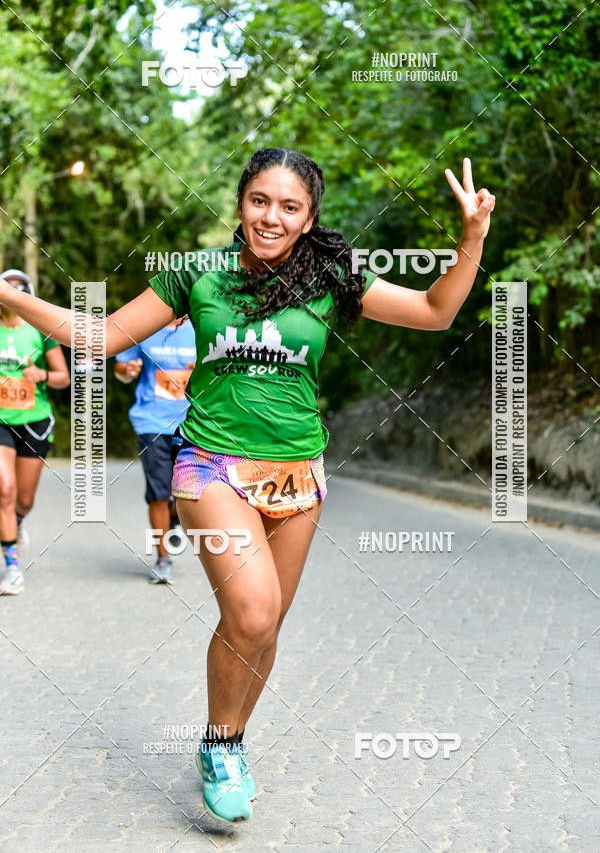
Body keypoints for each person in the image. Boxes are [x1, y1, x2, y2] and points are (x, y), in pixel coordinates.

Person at [0, 148, 494, 819]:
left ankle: (223, 743)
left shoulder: (330, 276)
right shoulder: (197, 274)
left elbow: (435, 311)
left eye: (290, 206)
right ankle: (224, 748)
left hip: (299, 474)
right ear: (240, 203)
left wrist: (471, 238)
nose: (271, 216)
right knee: (254, 611)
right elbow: (102, 335)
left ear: (309, 217)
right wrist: (11, 295)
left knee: (262, 627)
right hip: (210, 466)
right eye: (260, 200)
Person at [0, 269, 70, 596]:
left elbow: (63, 377)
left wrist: (40, 375)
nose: (12, 293)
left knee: (23, 500)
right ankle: (12, 568)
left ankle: (17, 521)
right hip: (1, 422)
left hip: (34, 422)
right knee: (4, 490)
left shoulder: (40, 331)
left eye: (19, 289)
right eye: (7, 288)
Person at [114, 316, 196, 583]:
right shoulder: (146, 326)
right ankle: (163, 559)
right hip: (152, 421)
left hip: (193, 422)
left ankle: (175, 515)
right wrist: (128, 371)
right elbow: (121, 369)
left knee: (186, 493)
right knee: (158, 492)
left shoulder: (201, 324)